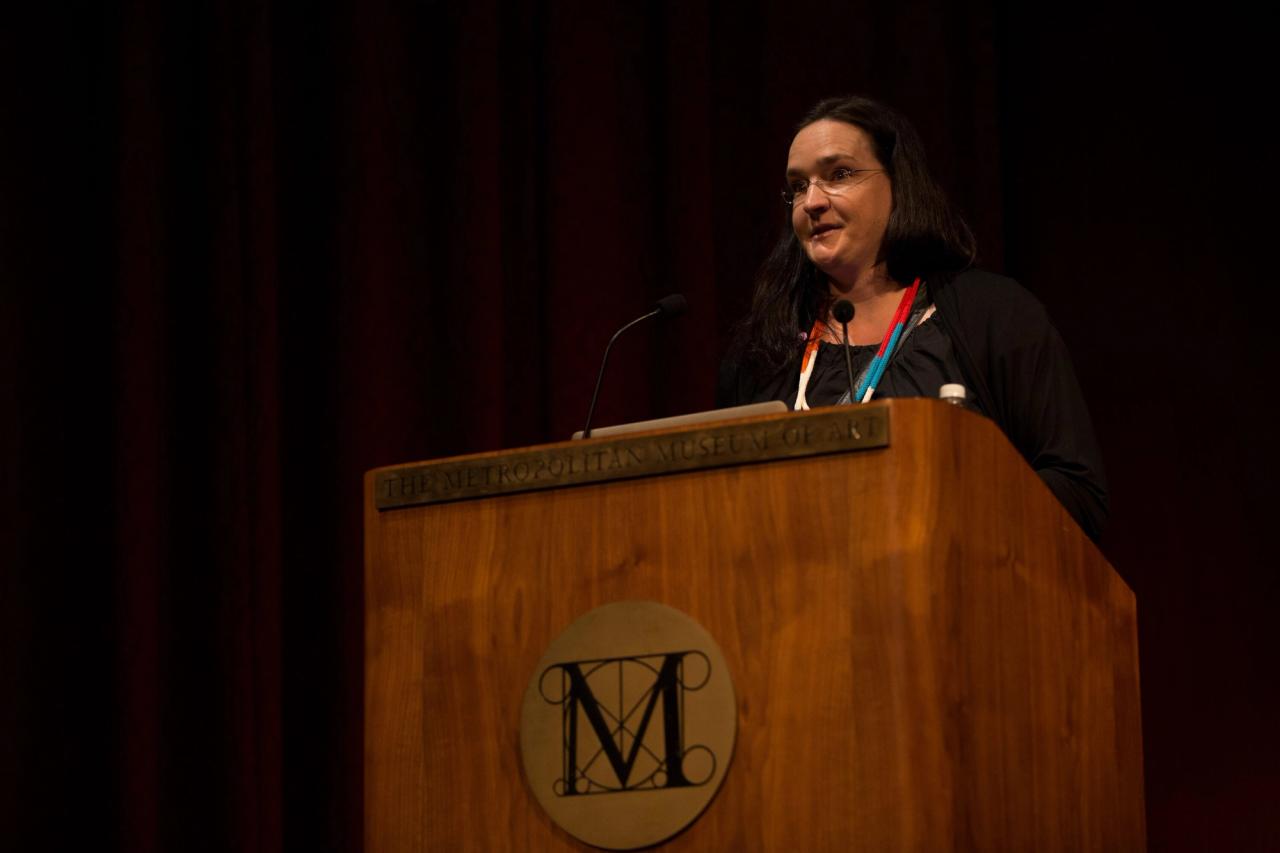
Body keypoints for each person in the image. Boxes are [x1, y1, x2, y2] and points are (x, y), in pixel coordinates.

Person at [716, 95, 1108, 540]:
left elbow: (1078, 492)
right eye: (799, 186)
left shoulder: (994, 315)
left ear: (898, 184)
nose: (812, 202)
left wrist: (945, 511)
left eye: (839, 174)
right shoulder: (763, 350)